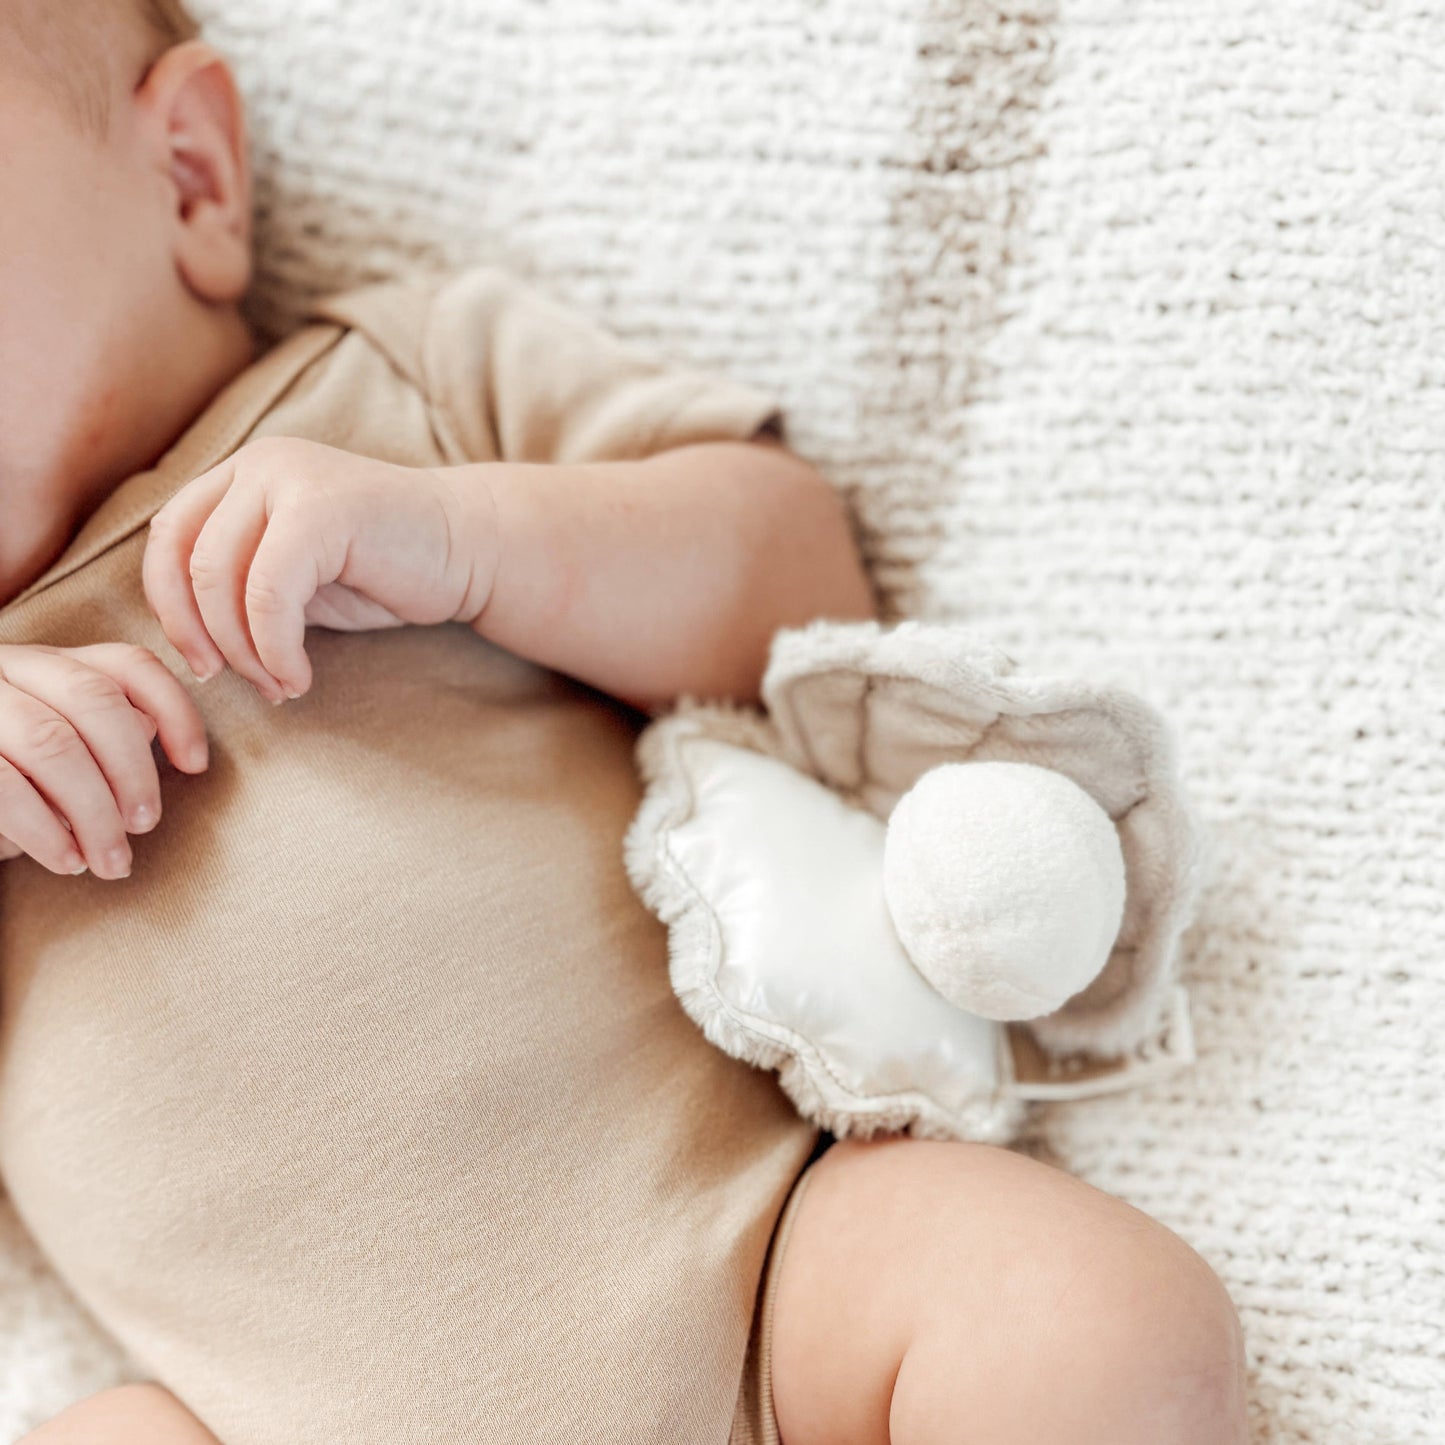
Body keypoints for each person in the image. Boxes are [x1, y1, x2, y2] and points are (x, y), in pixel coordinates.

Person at [0, 3, 1249, 1441]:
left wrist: (478, 541)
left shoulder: (395, 392)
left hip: (759, 1294)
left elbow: (799, 596)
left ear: (190, 179)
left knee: (1076, 1317)